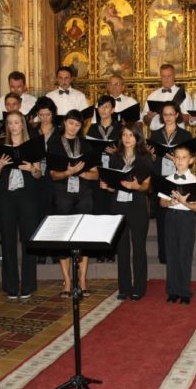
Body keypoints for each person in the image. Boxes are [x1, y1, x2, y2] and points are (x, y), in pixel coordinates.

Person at [0, 111, 42, 300]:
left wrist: (32, 168)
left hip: (27, 197)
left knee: (28, 241)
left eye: (16, 122)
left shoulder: (32, 146)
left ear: (22, 124)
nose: (13, 126)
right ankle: (11, 286)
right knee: (8, 241)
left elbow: (39, 174)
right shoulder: (0, 146)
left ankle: (28, 285)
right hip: (6, 197)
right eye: (10, 123)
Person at [100, 123, 153, 300]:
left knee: (138, 248)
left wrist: (136, 186)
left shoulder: (145, 157)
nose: (127, 138)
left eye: (131, 135)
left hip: (137, 205)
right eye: (124, 135)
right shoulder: (115, 157)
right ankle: (124, 287)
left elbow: (147, 186)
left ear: (137, 137)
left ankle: (139, 288)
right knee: (121, 248)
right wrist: (106, 186)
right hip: (118, 205)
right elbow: (112, 186)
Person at [49, 110, 98, 296]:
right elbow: (53, 175)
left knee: (84, 237)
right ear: (64, 122)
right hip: (62, 194)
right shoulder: (54, 144)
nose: (73, 127)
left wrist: (81, 173)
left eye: (77, 125)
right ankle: (67, 281)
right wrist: (68, 173)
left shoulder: (86, 145)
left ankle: (83, 280)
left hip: (83, 194)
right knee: (63, 237)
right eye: (70, 123)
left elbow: (96, 175)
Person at [148, 101, 192, 265]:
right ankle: (164, 256)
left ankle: (178, 255)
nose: (167, 117)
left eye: (171, 114)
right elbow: (151, 161)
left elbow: (191, 160)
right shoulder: (155, 135)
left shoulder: (185, 135)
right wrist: (152, 156)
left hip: (178, 178)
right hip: (160, 179)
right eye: (165, 114)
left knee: (178, 218)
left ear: (177, 115)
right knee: (161, 219)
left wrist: (175, 158)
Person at [159, 145, 196, 304]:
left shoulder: (195, 181)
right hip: (171, 217)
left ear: (190, 161)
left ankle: (184, 292)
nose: (180, 160)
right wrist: (170, 202)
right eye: (177, 157)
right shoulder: (168, 179)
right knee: (171, 254)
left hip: (186, 219)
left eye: (184, 157)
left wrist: (185, 202)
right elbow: (161, 203)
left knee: (184, 254)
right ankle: (172, 291)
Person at [87, 95, 122, 263]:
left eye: (107, 107)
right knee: (98, 211)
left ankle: (111, 250)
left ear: (113, 110)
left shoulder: (119, 129)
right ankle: (100, 251)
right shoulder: (92, 129)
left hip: (114, 172)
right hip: (97, 173)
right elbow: (87, 151)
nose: (103, 110)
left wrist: (117, 152)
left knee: (112, 211)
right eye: (101, 107)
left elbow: (128, 151)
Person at [29, 96, 60, 264]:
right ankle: (41, 250)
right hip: (36, 176)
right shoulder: (32, 131)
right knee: (38, 212)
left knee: (53, 212)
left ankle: (55, 250)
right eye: (41, 115)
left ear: (53, 114)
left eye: (48, 115)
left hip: (54, 176)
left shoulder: (60, 131)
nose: (45, 118)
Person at [142, 63, 193, 131]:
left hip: (177, 133)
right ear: (160, 77)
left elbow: (191, 119)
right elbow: (145, 120)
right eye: (163, 76)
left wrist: (176, 115)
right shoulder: (152, 96)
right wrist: (149, 117)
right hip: (157, 133)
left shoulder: (183, 95)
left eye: (169, 76)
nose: (166, 79)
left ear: (174, 76)